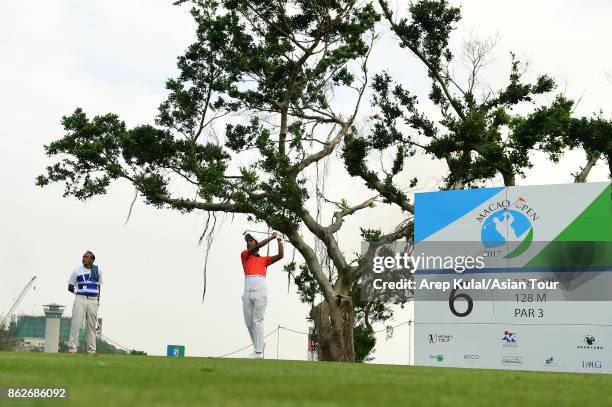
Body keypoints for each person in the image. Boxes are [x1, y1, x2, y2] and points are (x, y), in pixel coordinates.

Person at [241, 232, 284, 358]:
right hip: (247, 291)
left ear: (256, 244)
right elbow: (257, 246)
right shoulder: (244, 255)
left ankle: (258, 352)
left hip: (260, 291)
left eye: (251, 240)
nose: (249, 242)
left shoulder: (264, 260)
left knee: (257, 321)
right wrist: (272, 237)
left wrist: (280, 240)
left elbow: (281, 255)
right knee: (249, 323)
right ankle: (259, 345)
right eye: (248, 241)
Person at [67, 251, 103, 355]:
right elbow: (70, 287)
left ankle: (92, 351)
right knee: (76, 324)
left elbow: (98, 287)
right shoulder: (77, 271)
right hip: (80, 299)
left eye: (86, 257)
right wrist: (78, 292)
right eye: (83, 257)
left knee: (91, 326)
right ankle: (72, 349)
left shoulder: (98, 271)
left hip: (93, 300)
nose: (84, 259)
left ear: (92, 260)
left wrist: (98, 301)